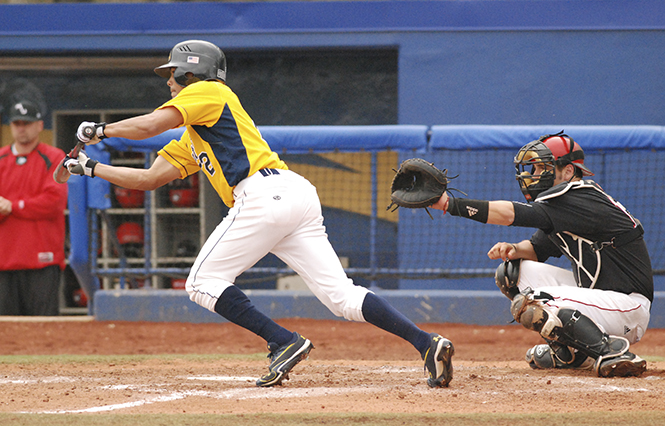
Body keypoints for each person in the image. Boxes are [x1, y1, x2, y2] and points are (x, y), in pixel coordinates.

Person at [65, 39, 454, 388]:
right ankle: (426, 343)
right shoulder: (195, 134)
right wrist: (91, 168)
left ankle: (283, 340)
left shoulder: (208, 91)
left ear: (191, 71)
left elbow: (152, 124)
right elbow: (149, 178)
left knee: (201, 282)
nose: (169, 81)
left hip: (263, 194)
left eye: (173, 73)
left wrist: (100, 131)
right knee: (342, 296)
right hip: (292, 195)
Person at [430, 131, 652, 377]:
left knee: (533, 301)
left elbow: (510, 215)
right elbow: (537, 249)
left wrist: (450, 204)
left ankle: (613, 350)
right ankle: (572, 354)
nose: (534, 175)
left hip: (628, 307)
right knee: (512, 272)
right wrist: (514, 249)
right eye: (534, 169)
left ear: (568, 171)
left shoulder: (579, 197)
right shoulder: (565, 204)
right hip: (599, 299)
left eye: (542, 168)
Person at [0, 100, 68, 315]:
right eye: (17, 123)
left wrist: (14, 206)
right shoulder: (1, 159)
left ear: (39, 125)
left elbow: (54, 201)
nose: (21, 128)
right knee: (7, 333)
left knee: (44, 327)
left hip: (42, 262)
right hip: (4, 261)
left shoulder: (54, 157)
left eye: (27, 123)